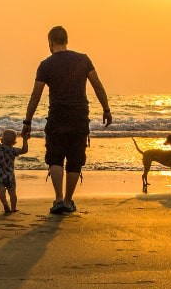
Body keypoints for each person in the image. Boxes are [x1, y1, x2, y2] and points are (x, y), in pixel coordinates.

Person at [22, 26, 112, 214]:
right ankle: (69, 201)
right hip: (79, 116)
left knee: (55, 157)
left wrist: (27, 122)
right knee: (75, 159)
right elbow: (98, 86)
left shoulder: (46, 64)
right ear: (66, 40)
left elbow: (35, 96)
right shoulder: (83, 60)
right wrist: (106, 109)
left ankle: (59, 199)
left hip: (57, 115)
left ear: (50, 42)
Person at [0, 128, 28, 213]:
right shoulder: (14, 150)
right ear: (14, 142)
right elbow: (24, 150)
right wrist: (25, 140)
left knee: (1, 191)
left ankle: (5, 203)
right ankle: (13, 208)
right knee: (12, 192)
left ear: (1, 140)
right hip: (10, 176)